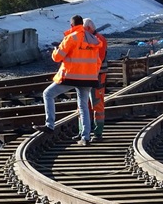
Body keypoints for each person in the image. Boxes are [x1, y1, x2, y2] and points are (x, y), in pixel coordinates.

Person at [33, 14, 101, 146]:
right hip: (88, 78)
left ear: (72, 25)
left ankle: (50, 125)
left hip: (71, 76)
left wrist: (55, 50)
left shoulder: (71, 37)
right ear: (82, 24)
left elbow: (58, 57)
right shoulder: (92, 39)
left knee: (48, 94)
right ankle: (85, 137)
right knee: (83, 105)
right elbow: (97, 61)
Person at [79, 18, 108, 143]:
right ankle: (82, 132)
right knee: (83, 105)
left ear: (89, 29)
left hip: (97, 76)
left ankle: (97, 132)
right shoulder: (87, 38)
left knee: (96, 103)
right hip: (86, 76)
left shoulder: (99, 39)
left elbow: (98, 59)